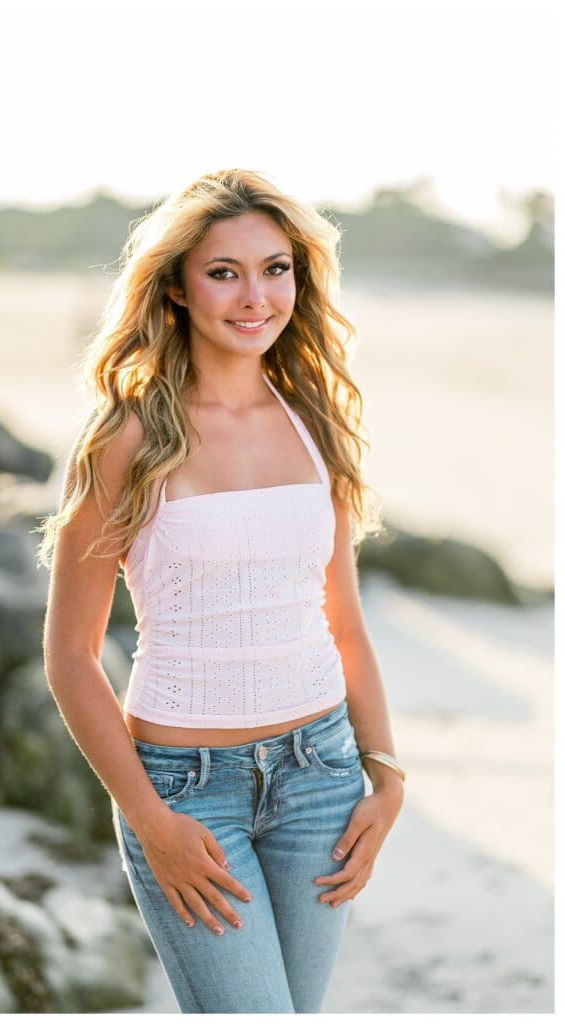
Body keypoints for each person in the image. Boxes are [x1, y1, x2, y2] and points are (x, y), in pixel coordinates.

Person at [37, 168, 405, 1014]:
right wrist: (148, 819)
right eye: (224, 271)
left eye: (276, 269)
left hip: (322, 775)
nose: (255, 296)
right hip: (185, 789)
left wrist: (385, 776)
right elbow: (69, 656)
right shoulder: (127, 436)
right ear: (176, 288)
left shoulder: (316, 421)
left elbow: (342, 622)